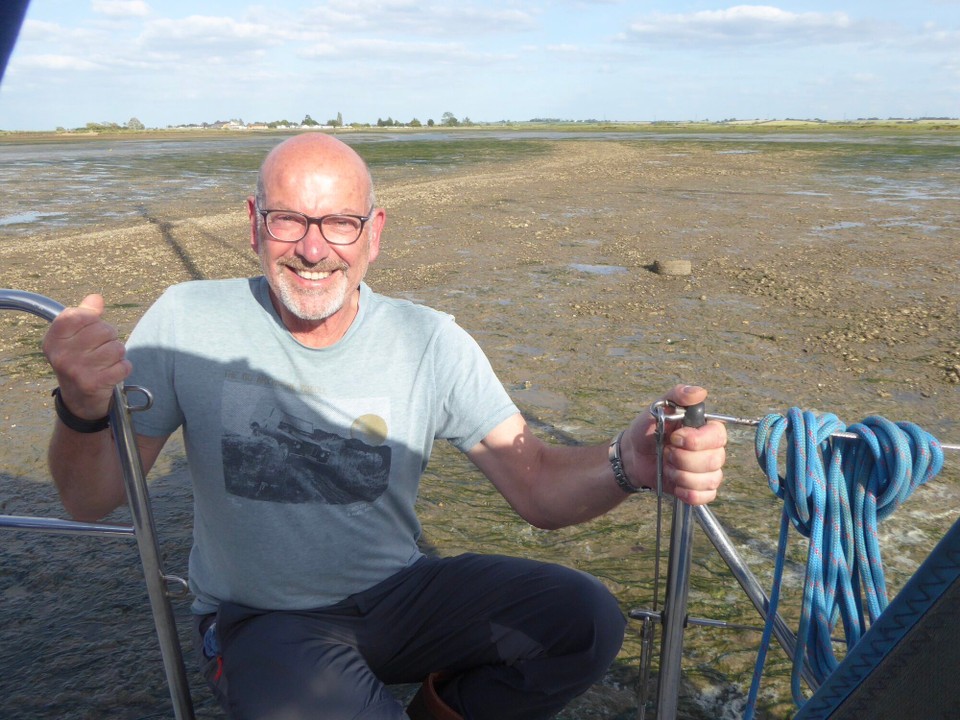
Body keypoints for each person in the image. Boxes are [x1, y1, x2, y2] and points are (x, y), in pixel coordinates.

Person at [43, 133, 727, 720]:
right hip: (262, 618)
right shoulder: (185, 320)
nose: (314, 250)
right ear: (254, 224)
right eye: (288, 220)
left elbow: (539, 485)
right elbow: (90, 498)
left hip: (401, 595)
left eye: (339, 222)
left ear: (374, 232)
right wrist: (80, 405)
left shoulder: (427, 339)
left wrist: (629, 464)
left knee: (584, 619)